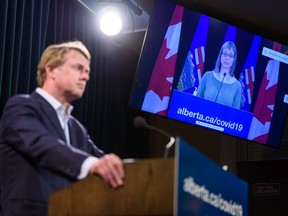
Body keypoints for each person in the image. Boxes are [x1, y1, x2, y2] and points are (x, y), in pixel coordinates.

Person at [0, 41, 125, 215]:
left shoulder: (77, 128)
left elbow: (100, 159)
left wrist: (120, 169)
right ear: (51, 70)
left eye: (87, 71)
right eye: (78, 68)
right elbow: (42, 144)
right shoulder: (21, 106)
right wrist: (91, 164)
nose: (86, 77)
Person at [196, 41, 242, 109]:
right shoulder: (207, 76)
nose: (227, 58)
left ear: (234, 60)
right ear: (220, 56)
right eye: (225, 54)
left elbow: (234, 114)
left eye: (231, 55)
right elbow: (196, 102)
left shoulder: (237, 86)